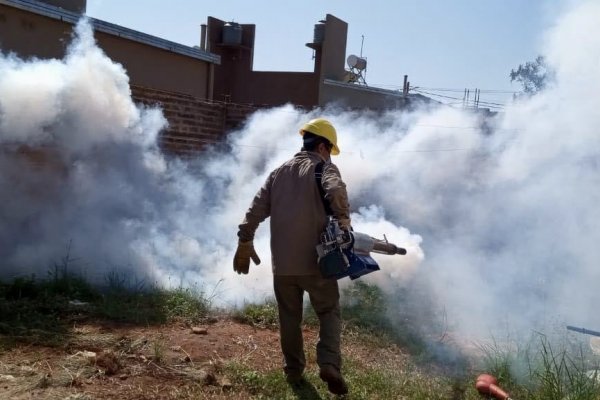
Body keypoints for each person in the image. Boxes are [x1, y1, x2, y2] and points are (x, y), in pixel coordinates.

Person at [233, 118, 351, 395]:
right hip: (318, 263)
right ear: (323, 146)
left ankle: (294, 371)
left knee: (289, 317)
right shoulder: (324, 168)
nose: (328, 154)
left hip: (283, 266)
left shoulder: (278, 173)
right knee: (328, 310)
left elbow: (255, 210)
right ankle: (329, 363)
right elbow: (335, 190)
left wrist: (245, 240)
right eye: (329, 149)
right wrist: (344, 221)